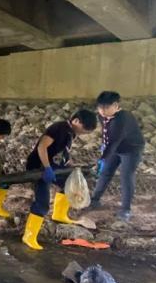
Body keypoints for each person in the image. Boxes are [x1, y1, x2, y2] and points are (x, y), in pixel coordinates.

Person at [22, 109, 98, 250]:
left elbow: (63, 152)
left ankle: (59, 214)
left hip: (53, 165)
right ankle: (29, 236)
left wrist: (69, 165)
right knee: (43, 202)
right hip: (38, 166)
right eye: (85, 129)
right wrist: (46, 168)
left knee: (69, 184)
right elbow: (42, 147)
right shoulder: (59, 128)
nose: (85, 133)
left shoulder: (71, 132)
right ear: (76, 121)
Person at [89, 91, 145, 222]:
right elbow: (107, 134)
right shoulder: (102, 116)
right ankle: (95, 200)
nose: (102, 111)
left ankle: (126, 210)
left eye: (106, 108)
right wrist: (104, 147)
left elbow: (115, 140)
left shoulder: (123, 118)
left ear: (115, 105)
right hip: (114, 147)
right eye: (100, 107)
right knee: (105, 173)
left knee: (126, 176)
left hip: (131, 149)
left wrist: (103, 158)